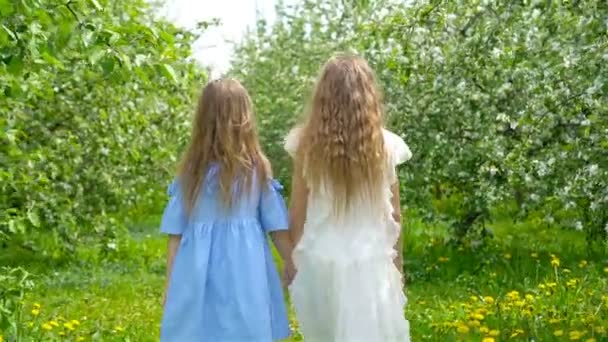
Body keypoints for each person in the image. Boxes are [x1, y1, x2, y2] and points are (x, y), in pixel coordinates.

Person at [285, 54, 412, 341]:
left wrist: (291, 262)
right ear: (368, 95)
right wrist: (398, 268)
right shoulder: (386, 146)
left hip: (320, 259)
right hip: (370, 261)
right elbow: (394, 215)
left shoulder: (306, 144)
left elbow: (297, 212)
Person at [160, 79, 295, 341]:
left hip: (197, 270)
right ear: (244, 118)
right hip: (247, 267)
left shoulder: (193, 171)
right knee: (247, 325)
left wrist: (171, 284)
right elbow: (276, 226)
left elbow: (175, 237)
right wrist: (292, 262)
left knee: (199, 327)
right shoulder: (254, 168)